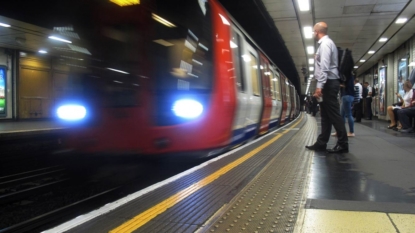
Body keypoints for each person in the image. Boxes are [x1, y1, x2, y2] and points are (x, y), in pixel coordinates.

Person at [305, 22, 348, 153]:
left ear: (317, 32)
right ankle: (322, 142)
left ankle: (343, 144)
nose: (313, 34)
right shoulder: (326, 44)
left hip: (328, 83)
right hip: (328, 82)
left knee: (334, 114)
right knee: (326, 115)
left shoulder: (325, 45)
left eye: (313, 31)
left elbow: (324, 67)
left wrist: (319, 86)